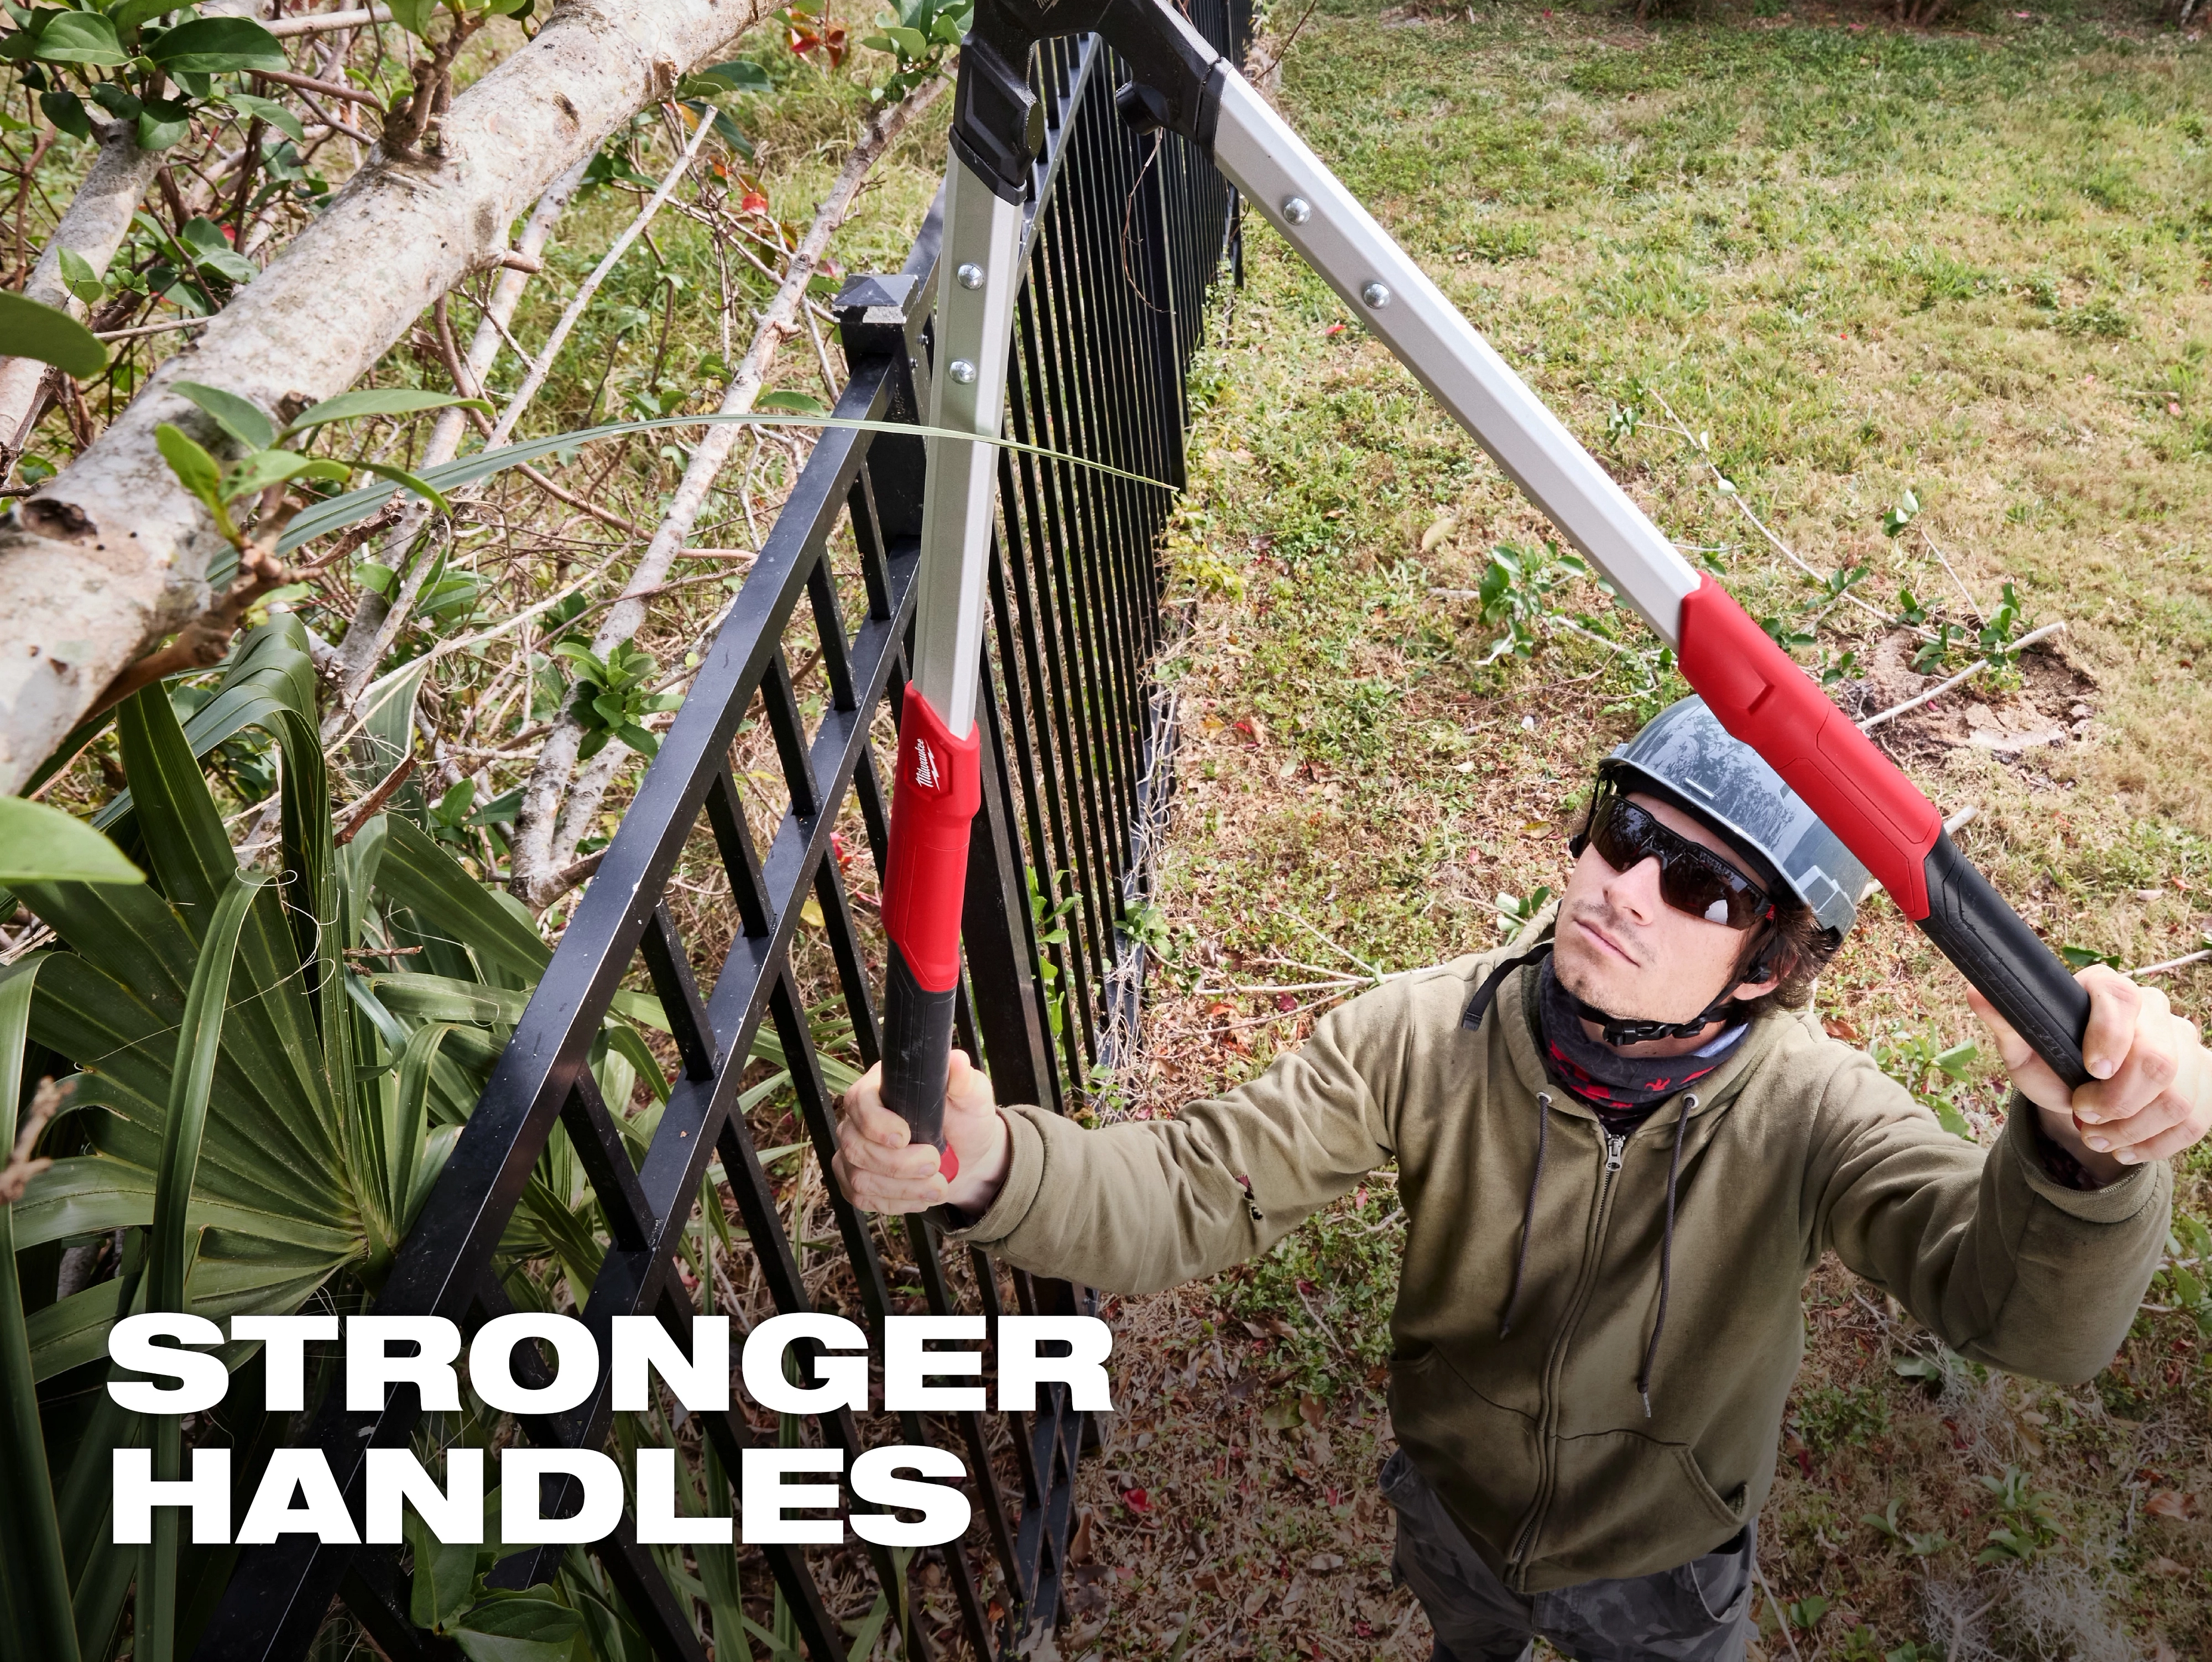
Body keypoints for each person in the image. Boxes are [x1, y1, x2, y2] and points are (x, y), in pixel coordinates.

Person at [832, 701, 2209, 1662]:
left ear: (1776, 962)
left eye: (1703, 888)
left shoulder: (1811, 1112)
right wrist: (993, 1156)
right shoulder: (1421, 1036)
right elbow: (1191, 1188)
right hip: (1455, 1502)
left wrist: (2086, 1155)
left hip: (1672, 1560)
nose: (1625, 886)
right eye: (1619, 828)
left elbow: (2023, 1320)